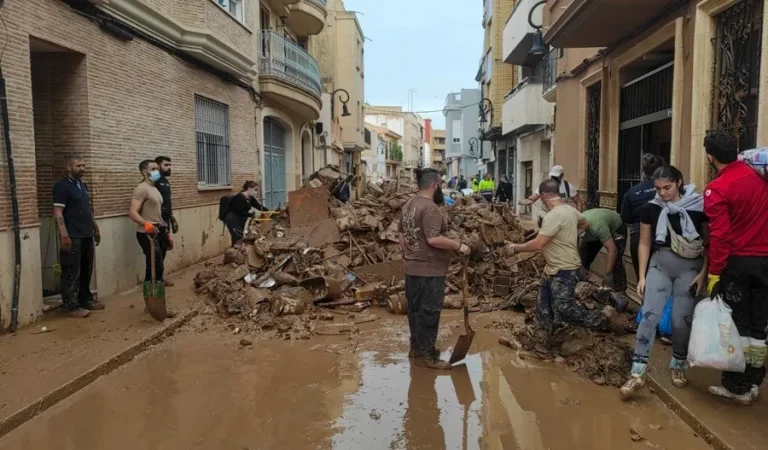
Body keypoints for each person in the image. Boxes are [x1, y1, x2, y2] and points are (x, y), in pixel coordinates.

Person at [620, 165, 709, 399]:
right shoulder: (651, 208)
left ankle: (678, 364)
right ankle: (637, 372)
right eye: (658, 189)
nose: (662, 193)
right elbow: (644, 243)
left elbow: (709, 243)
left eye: (667, 187)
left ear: (679, 183)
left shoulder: (699, 207)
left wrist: (704, 273)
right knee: (649, 316)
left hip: (690, 268)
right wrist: (641, 276)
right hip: (659, 264)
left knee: (681, 321)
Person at [507, 179, 622, 356]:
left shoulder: (553, 216)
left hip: (565, 269)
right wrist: (569, 235)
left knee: (564, 309)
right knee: (543, 307)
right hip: (552, 268)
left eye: (539, 197)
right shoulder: (572, 210)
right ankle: (542, 348)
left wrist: (515, 248)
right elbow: (584, 224)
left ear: (544, 196)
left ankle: (604, 319)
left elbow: (538, 244)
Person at [703, 131, 768, 404]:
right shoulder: (759, 178)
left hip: (737, 264)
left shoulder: (717, 189)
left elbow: (720, 236)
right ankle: (755, 380)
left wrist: (714, 273)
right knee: (759, 324)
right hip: (765, 262)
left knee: (738, 325)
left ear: (710, 156)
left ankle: (736, 386)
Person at [399, 168, 470, 370]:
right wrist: (458, 245)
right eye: (441, 185)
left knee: (414, 311)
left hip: (412, 268)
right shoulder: (430, 208)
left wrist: (409, 255)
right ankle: (428, 356)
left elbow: (402, 236)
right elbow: (433, 238)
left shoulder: (408, 205)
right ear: (434, 185)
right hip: (430, 271)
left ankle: (416, 349)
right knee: (429, 312)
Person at [52, 156, 105, 318]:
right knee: (71, 270)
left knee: (86, 268)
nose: (82, 168)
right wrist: (64, 235)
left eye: (83, 165)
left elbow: (87, 209)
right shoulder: (62, 187)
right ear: (68, 167)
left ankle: (85, 300)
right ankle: (71, 306)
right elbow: (58, 212)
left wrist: (95, 227)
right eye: (78, 165)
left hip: (86, 233)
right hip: (72, 235)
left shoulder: (82, 185)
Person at [620, 154, 665, 279]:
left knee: (643, 278)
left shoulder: (632, 192)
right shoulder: (665, 189)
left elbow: (625, 218)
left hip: (638, 235)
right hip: (662, 235)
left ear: (643, 171)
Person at [128, 160, 167, 303]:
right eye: (154, 168)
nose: (157, 171)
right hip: (147, 234)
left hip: (158, 230)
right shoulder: (141, 189)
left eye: (157, 168)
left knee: (159, 268)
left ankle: (158, 301)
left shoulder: (154, 188)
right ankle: (150, 302)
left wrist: (165, 232)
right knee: (154, 267)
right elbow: (132, 212)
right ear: (145, 172)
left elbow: (156, 213)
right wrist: (147, 224)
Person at [580, 208, 627, 294]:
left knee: (615, 260)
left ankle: (620, 291)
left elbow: (612, 250)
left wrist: (608, 274)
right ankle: (582, 284)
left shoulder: (598, 227)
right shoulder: (576, 222)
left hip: (616, 228)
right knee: (583, 255)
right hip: (595, 227)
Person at [225, 180, 269, 247]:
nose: (256, 192)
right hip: (232, 220)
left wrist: (268, 211)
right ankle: (234, 254)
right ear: (249, 188)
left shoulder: (250, 198)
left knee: (242, 238)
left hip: (241, 219)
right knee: (238, 238)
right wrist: (252, 215)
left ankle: (237, 253)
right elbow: (240, 211)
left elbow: (258, 206)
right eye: (255, 190)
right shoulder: (239, 197)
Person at [154, 156, 176, 287]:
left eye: (170, 165)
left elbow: (167, 202)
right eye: (166, 165)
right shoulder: (154, 181)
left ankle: (160, 277)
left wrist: (172, 217)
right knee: (157, 251)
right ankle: (155, 280)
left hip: (166, 221)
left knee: (164, 249)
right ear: (158, 165)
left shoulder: (165, 181)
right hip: (157, 222)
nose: (169, 167)